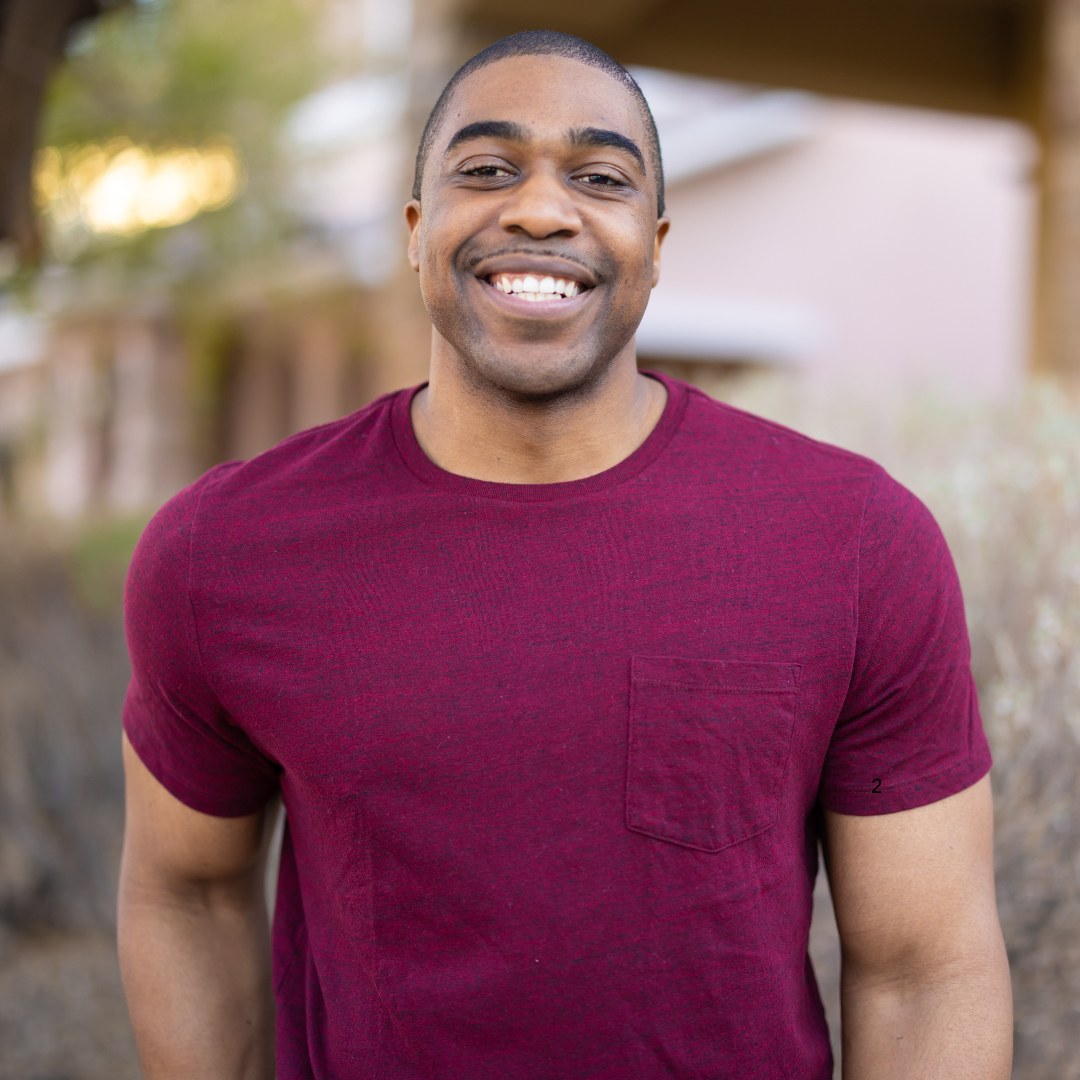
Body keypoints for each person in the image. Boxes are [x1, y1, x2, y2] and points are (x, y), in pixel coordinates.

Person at [117, 30, 1012, 1080]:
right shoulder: (227, 554)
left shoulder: (852, 542)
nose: (541, 211)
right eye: (487, 169)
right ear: (416, 231)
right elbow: (187, 891)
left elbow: (924, 969)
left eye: (600, 177)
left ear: (656, 243)